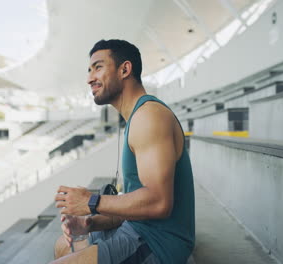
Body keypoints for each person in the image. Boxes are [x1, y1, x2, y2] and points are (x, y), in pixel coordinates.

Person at [52, 39, 195, 264]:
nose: (90, 79)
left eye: (98, 67)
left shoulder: (149, 116)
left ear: (125, 69)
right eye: (89, 70)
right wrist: (90, 222)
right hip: (136, 229)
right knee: (63, 245)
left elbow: (159, 202)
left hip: (158, 244)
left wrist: (91, 201)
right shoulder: (136, 119)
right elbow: (134, 202)